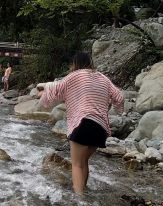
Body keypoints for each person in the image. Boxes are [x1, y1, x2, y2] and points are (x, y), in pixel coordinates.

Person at [37, 51, 124, 195]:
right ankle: (84, 190)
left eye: (71, 64)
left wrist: (42, 92)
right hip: (101, 127)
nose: (70, 67)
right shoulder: (103, 78)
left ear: (75, 64)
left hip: (83, 123)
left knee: (76, 164)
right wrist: (117, 110)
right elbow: (119, 97)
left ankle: (80, 201)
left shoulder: (75, 76)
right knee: (83, 161)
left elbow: (56, 88)